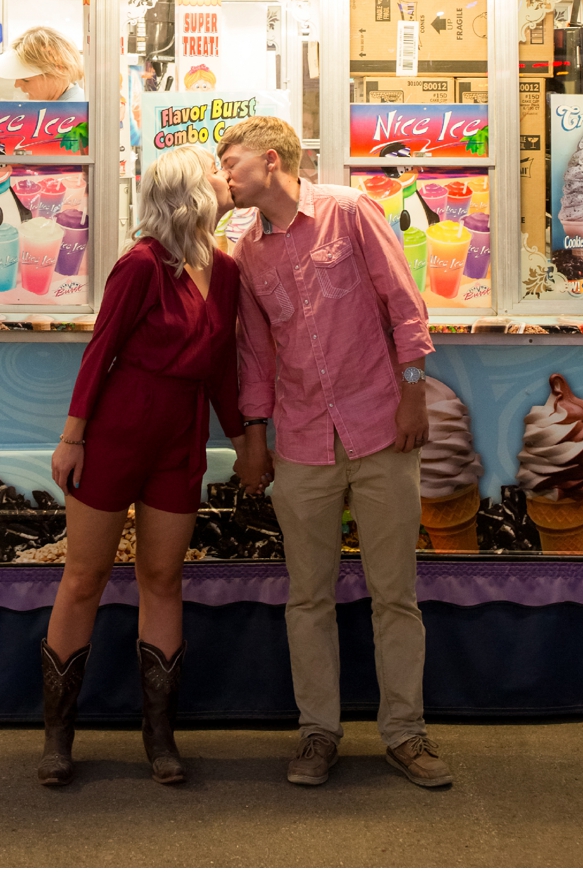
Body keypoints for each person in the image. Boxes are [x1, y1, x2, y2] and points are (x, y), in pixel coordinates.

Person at [219, 116, 452, 791]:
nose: (223, 175)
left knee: (394, 594)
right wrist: (256, 440)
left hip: (382, 426)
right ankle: (317, 731)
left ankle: (405, 734)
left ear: (270, 161)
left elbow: (404, 305)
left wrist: (414, 393)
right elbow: (254, 356)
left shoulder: (350, 212)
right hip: (300, 440)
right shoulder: (246, 252)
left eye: (231, 162)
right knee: (308, 597)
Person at [39, 147, 258, 786]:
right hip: (116, 432)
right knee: (84, 576)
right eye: (216, 171)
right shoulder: (140, 264)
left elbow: (222, 367)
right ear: (192, 190)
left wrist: (243, 439)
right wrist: (72, 438)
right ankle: (58, 739)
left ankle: (159, 737)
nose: (227, 176)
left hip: (181, 436)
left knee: (163, 577)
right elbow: (99, 352)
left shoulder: (226, 270)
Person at [0, 25, 88, 102]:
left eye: (26, 79)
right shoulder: (52, 105)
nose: (17, 84)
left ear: (59, 69)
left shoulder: (75, 114)